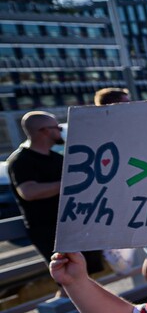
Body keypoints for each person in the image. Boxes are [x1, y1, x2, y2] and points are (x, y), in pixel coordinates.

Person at [8, 111, 104, 275]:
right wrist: (68, 185)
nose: (60, 131)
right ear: (44, 131)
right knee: (69, 277)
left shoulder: (57, 158)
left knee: (87, 275)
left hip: (73, 225)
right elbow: (28, 192)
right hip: (49, 230)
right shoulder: (21, 160)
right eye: (57, 127)